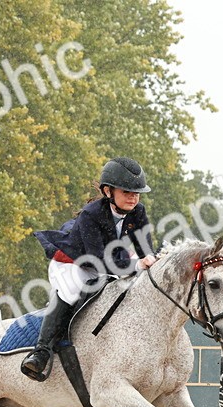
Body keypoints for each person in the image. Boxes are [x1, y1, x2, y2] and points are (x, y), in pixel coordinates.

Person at [20, 157, 158, 381]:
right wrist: (135, 265)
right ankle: (41, 352)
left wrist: (150, 260)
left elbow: (145, 246)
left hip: (111, 259)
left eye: (137, 192)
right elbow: (97, 261)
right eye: (127, 192)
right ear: (108, 191)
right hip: (72, 262)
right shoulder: (90, 215)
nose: (133, 197)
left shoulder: (138, 211)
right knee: (70, 291)